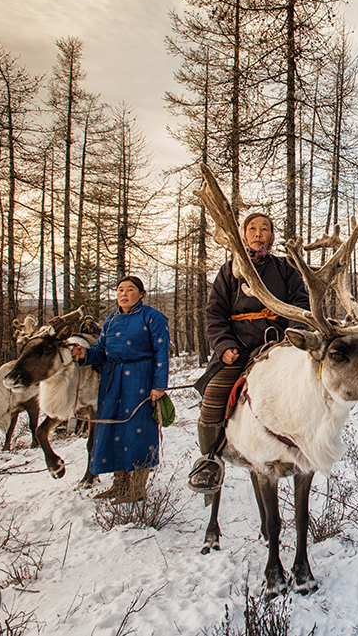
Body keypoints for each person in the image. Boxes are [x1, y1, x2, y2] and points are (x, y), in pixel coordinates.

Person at [188, 212, 309, 494]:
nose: (258, 233)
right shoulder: (228, 271)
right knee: (213, 394)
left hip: (279, 348)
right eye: (252, 228)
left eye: (264, 228)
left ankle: (308, 444)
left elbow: (301, 305)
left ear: (272, 236)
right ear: (243, 235)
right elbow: (214, 314)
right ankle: (210, 459)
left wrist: (291, 338)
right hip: (239, 348)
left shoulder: (285, 269)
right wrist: (224, 345)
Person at [70, 275, 169, 503]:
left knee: (138, 430)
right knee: (113, 430)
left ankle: (137, 489)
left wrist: (158, 386)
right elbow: (102, 351)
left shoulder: (152, 317)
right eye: (120, 289)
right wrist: (85, 354)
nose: (124, 294)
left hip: (140, 379)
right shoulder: (111, 320)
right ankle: (120, 484)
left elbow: (161, 352)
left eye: (130, 289)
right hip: (113, 382)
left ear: (141, 294)